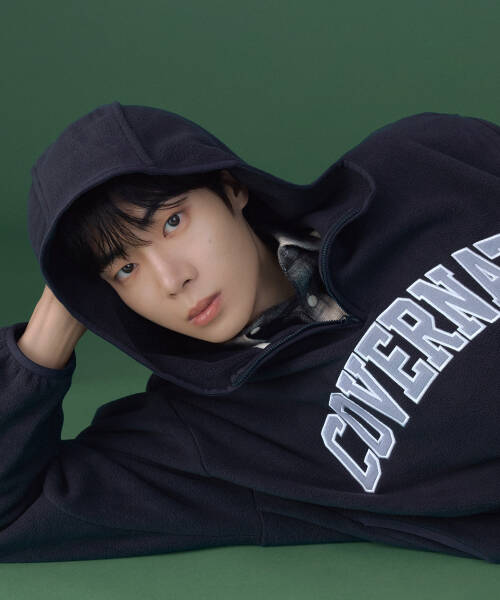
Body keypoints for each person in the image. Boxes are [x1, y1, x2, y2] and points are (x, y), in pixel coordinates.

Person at [0, 101, 499, 563]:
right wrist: (43, 341)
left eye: (173, 222)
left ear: (232, 188)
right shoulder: (207, 439)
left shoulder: (421, 162)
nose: (172, 281)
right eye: (125, 270)